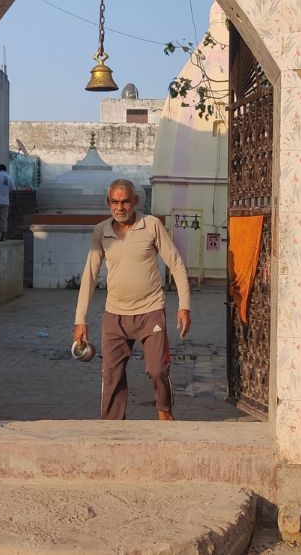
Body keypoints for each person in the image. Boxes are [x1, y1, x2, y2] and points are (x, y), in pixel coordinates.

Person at [73, 179, 191, 421]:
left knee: (157, 369)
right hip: (115, 315)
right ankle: (113, 425)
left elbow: (176, 264)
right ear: (108, 203)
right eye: (114, 202)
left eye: (125, 201)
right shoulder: (101, 231)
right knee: (112, 374)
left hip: (151, 311)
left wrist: (184, 306)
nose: (120, 207)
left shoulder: (151, 225)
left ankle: (164, 411)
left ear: (135, 201)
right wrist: (80, 320)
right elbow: (90, 276)